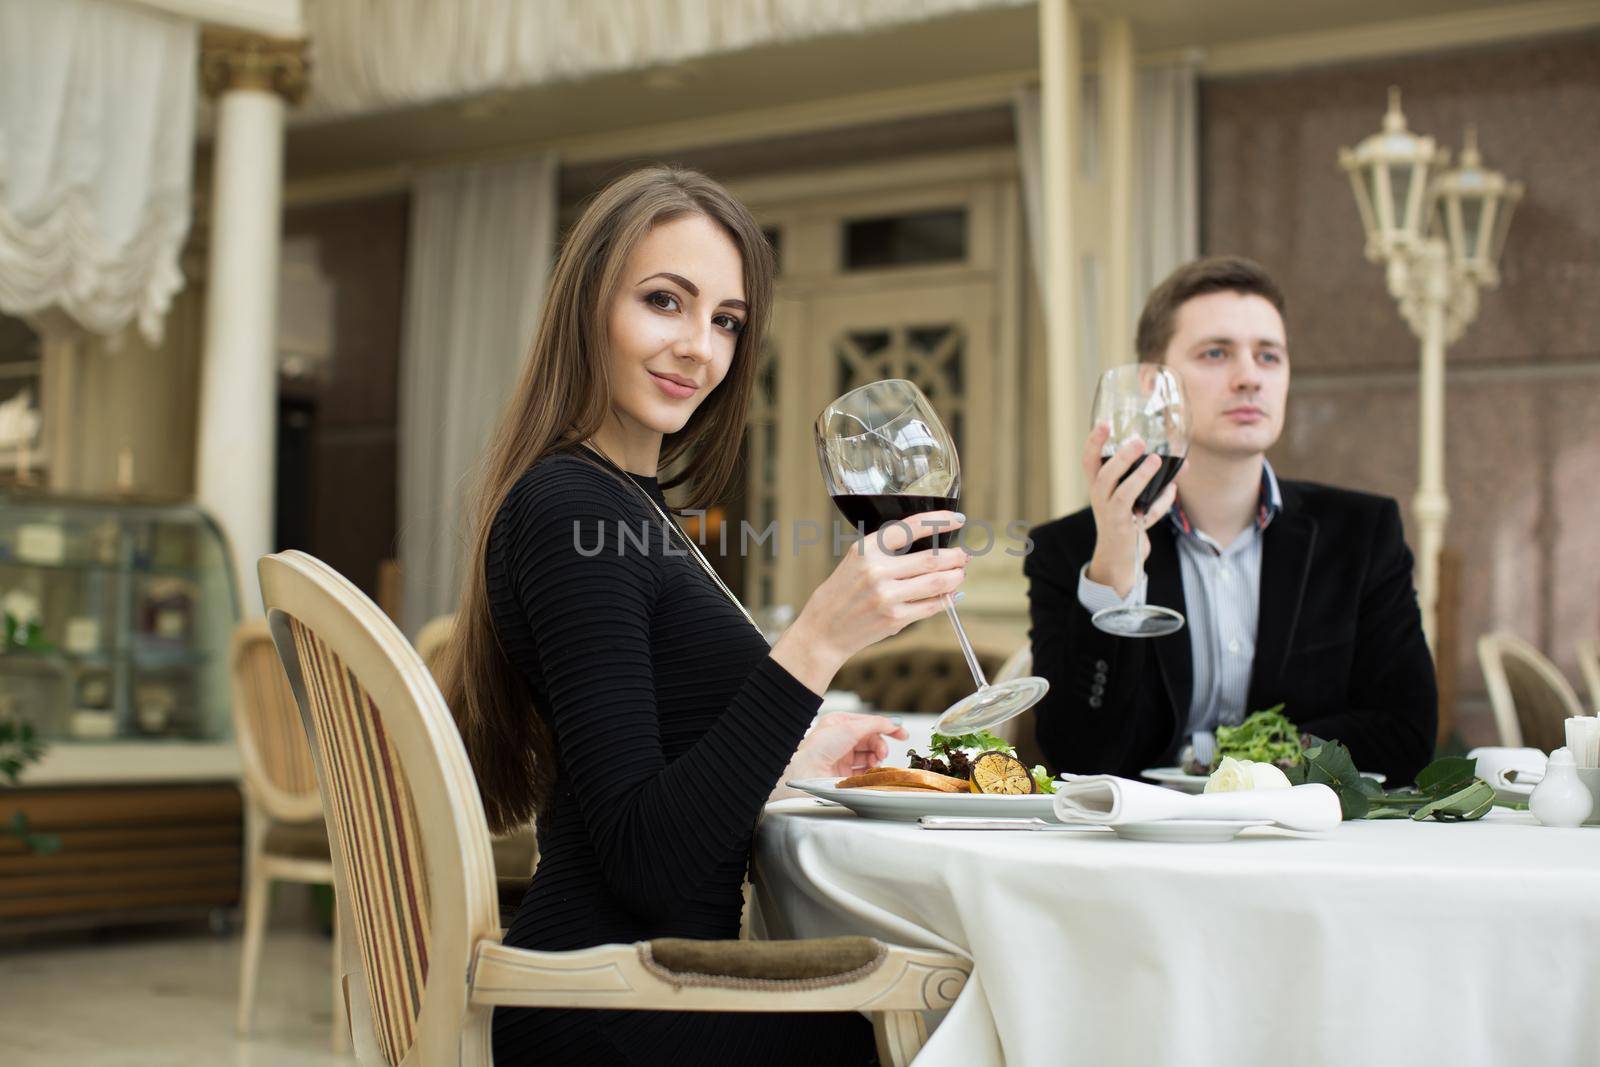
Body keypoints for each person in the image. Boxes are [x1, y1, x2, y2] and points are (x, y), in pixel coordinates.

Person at [435, 166, 968, 1066]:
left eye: (725, 320)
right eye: (663, 302)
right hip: (617, 1004)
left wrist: (798, 744)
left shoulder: (627, 508)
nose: (700, 348)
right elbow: (649, 860)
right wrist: (817, 640)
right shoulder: (574, 509)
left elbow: (650, 770)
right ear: (585, 308)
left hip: (648, 986)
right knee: (974, 1009)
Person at [1024, 255, 1436, 784]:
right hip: (1142, 848)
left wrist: (1249, 760)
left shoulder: (1362, 533)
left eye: (1269, 356)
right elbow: (1078, 756)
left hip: (1307, 842)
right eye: (1216, 353)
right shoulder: (1069, 549)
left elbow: (1407, 732)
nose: (1248, 378)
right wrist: (1114, 574)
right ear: (1154, 386)